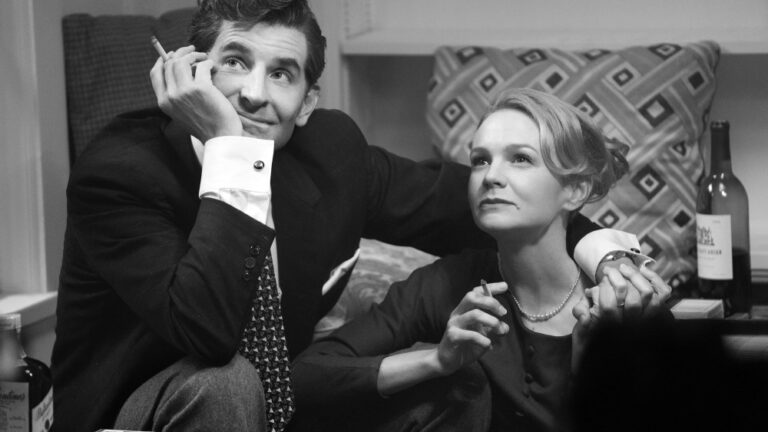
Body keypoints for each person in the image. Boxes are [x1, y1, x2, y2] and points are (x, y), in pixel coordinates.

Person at [52, 1, 650, 432]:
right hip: (141, 409)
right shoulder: (122, 171)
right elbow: (207, 334)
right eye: (234, 62)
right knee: (226, 381)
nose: (254, 93)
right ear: (191, 73)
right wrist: (232, 152)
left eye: (281, 73)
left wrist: (605, 254)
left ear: (307, 101)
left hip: (285, 408)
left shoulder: (330, 152)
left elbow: (493, 204)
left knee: (447, 391)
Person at [292, 88, 672, 432]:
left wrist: (594, 372)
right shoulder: (448, 283)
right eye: (479, 160)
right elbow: (304, 375)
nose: (492, 177)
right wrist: (435, 361)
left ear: (575, 190)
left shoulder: (628, 302)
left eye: (520, 159)